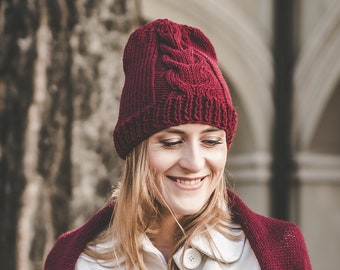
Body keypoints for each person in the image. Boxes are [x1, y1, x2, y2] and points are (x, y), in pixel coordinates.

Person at [44, 18, 312, 270]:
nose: (194, 162)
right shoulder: (77, 260)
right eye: (172, 142)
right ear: (136, 151)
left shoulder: (278, 251)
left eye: (211, 141)